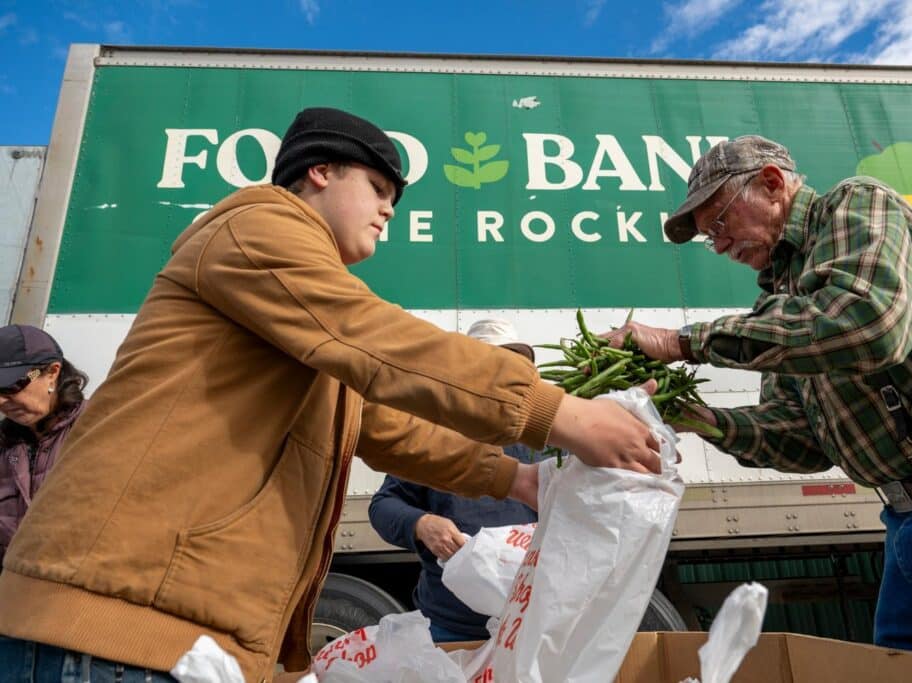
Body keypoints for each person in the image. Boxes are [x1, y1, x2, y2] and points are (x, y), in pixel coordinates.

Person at [0, 107, 661, 682]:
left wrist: (518, 478)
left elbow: (388, 425)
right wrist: (560, 411)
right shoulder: (256, 230)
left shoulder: (296, 321)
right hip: (114, 632)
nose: (388, 210)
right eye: (376, 186)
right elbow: (376, 339)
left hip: (164, 636)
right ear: (318, 171)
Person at [604, 135, 912, 667]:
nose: (717, 244)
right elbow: (801, 441)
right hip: (909, 522)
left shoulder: (859, 205)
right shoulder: (781, 300)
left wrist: (679, 342)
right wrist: (694, 419)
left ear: (772, 183)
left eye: (719, 223)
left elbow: (867, 323)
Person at [369, 318, 544, 643]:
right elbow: (383, 507)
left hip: (529, 625)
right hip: (448, 630)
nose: (501, 381)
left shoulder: (542, 441)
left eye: (511, 368)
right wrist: (421, 523)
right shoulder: (433, 437)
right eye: (490, 367)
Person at [0, 325, 88, 569]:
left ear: (52, 372)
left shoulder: (100, 429)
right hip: (14, 592)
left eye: (11, 386)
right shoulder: (4, 444)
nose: (1, 401)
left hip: (75, 594)